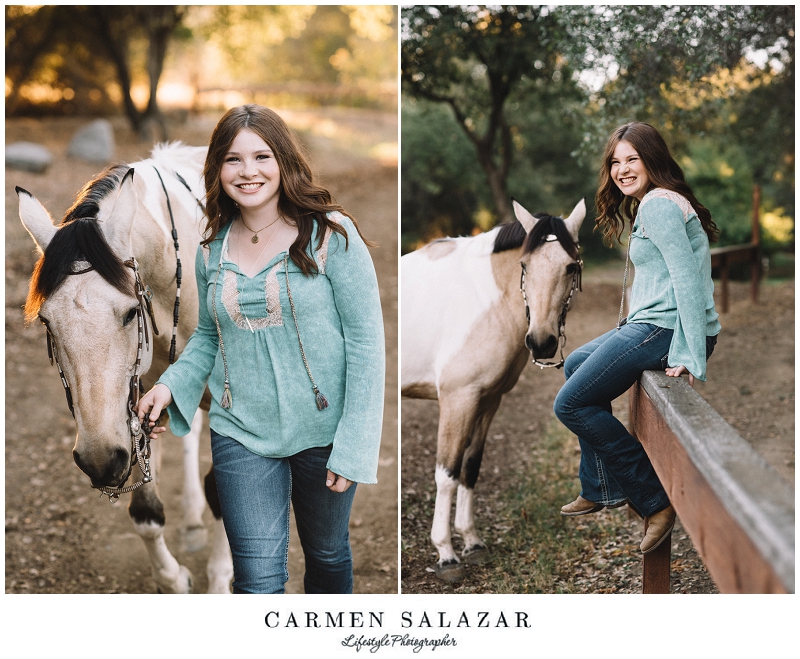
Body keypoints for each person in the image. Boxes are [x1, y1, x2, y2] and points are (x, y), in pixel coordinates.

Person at [137, 104, 385, 593]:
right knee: (256, 581)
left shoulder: (331, 235)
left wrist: (354, 445)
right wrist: (169, 387)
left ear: (284, 162)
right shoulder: (211, 248)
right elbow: (209, 336)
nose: (248, 172)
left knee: (328, 555)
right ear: (217, 170)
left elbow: (366, 342)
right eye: (233, 160)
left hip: (325, 430)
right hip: (241, 430)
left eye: (261, 157)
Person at [553, 121, 721, 554]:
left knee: (570, 403)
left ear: (652, 160)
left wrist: (691, 352)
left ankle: (653, 499)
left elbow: (688, 282)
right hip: (649, 324)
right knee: (575, 366)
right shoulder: (654, 203)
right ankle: (600, 486)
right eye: (615, 162)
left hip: (665, 329)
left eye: (633, 159)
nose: (623, 169)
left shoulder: (660, 206)